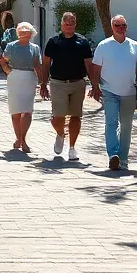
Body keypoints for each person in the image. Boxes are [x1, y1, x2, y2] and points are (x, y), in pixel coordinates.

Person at [88, 14, 137, 170]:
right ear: (112, 27)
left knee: (126, 125)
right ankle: (113, 155)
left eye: (123, 25)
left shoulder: (135, 46)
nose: (121, 28)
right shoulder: (104, 45)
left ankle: (123, 158)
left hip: (129, 91)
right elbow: (96, 68)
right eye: (117, 25)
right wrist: (95, 86)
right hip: (109, 91)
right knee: (111, 122)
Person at [43, 12, 95, 162]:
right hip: (58, 83)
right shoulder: (53, 42)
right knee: (57, 117)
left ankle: (72, 148)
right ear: (61, 24)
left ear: (75, 24)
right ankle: (60, 134)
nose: (69, 25)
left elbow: (89, 64)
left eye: (72, 22)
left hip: (78, 83)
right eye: (66, 22)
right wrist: (43, 83)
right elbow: (46, 63)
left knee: (76, 116)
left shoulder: (82, 42)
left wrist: (94, 85)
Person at [2, 22, 45, 153]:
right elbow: (3, 60)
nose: (23, 33)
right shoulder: (11, 46)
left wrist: (43, 81)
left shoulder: (35, 48)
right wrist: (7, 71)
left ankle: (23, 139)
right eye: (21, 31)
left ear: (31, 33)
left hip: (29, 77)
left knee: (27, 110)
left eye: (26, 31)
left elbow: (38, 65)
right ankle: (18, 138)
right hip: (15, 77)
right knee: (15, 110)